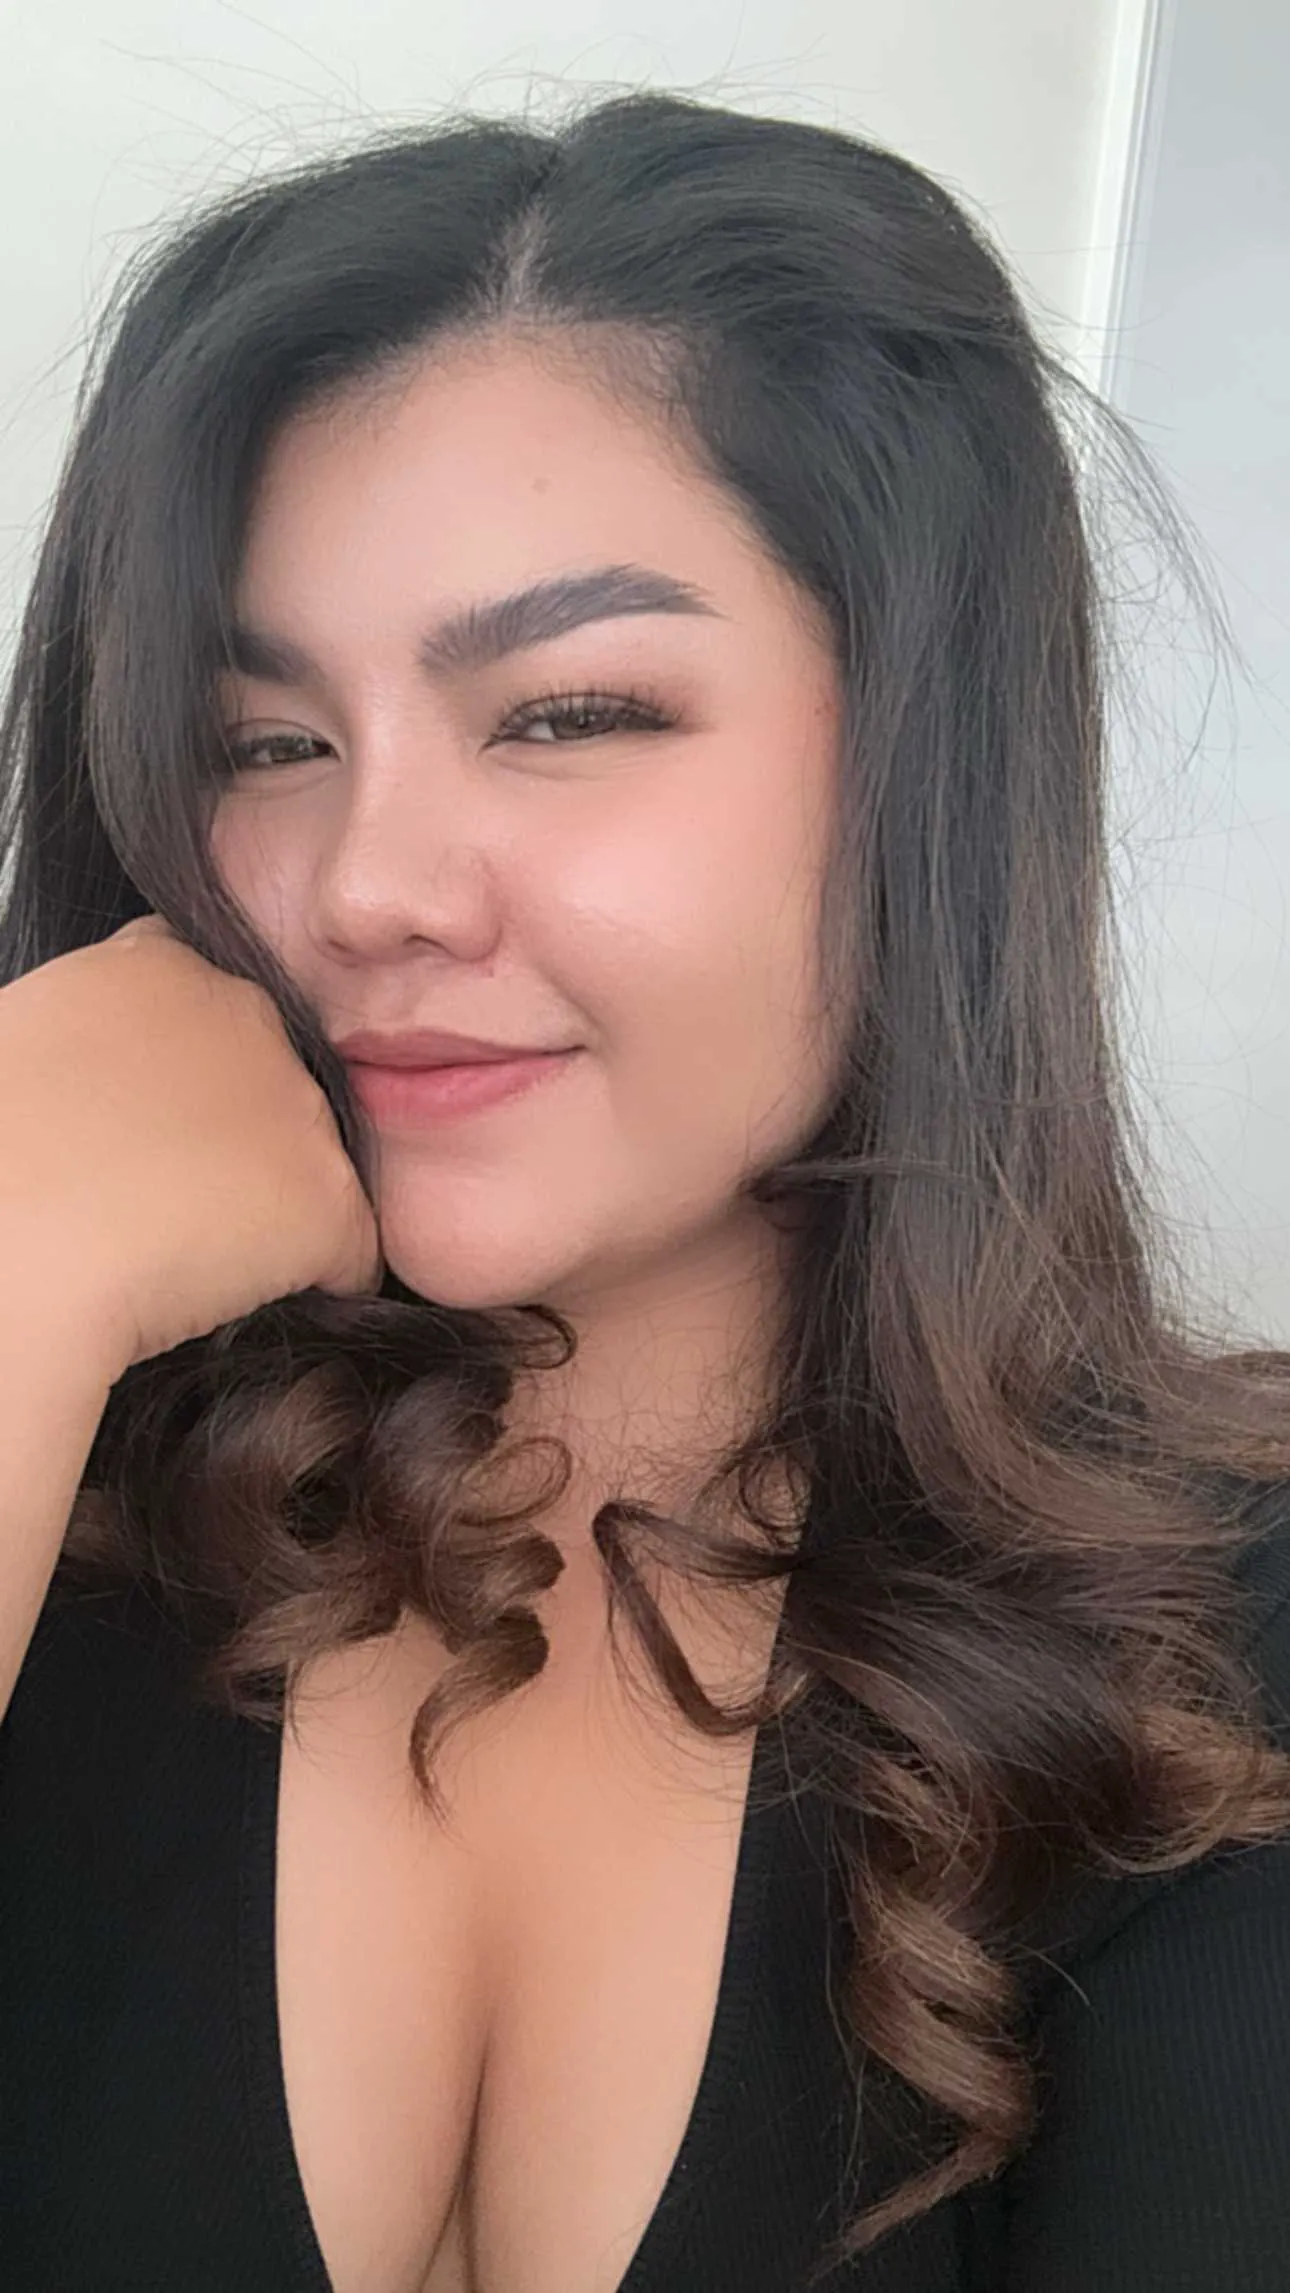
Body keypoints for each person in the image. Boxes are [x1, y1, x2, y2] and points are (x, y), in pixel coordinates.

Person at [1, 84, 1289, 2293]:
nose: (363, 886)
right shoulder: (61, 1476)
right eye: (265, 744)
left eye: (569, 713)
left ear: (927, 763)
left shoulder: (1225, 1638)